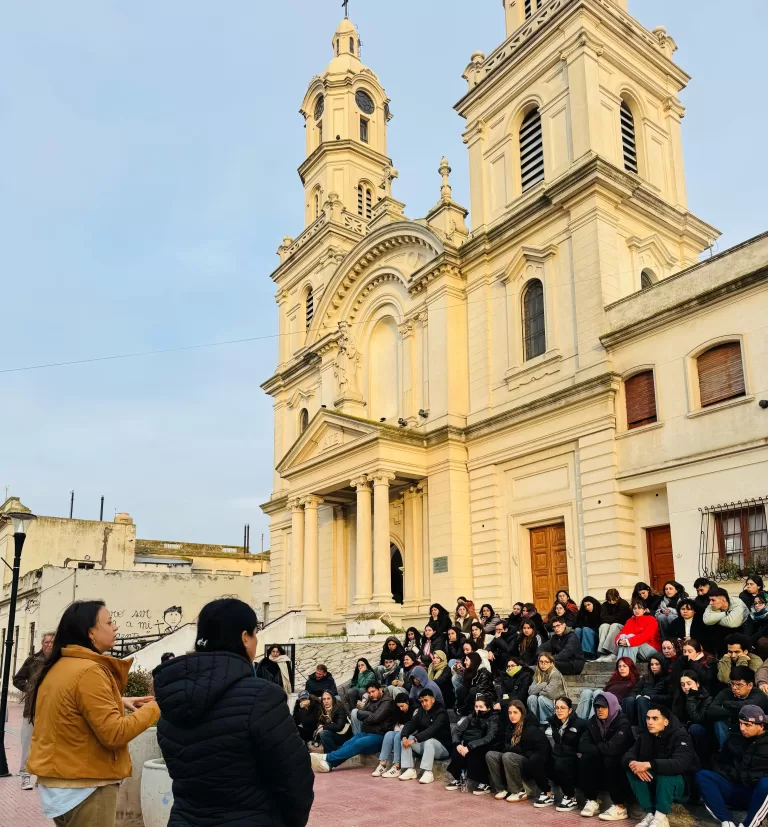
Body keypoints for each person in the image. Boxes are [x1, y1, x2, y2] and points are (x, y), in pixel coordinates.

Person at [152, 599, 312, 827]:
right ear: (245, 637)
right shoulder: (263, 697)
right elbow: (295, 779)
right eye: (256, 634)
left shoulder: (173, 697)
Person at [26, 601, 160, 827]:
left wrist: (118, 700)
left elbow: (69, 708)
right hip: (86, 785)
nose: (115, 627)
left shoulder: (62, 664)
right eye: (108, 622)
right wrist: (157, 707)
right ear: (90, 633)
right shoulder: (89, 671)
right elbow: (114, 734)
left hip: (61, 781)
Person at [623, 703, 700, 827]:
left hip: (683, 785)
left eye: (655, 718)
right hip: (658, 782)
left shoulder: (680, 735)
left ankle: (661, 817)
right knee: (632, 770)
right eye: (648, 718)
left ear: (665, 722)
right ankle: (650, 814)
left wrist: (648, 764)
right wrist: (633, 763)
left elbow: (679, 764)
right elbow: (628, 755)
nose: (650, 722)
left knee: (666, 774)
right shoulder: (645, 735)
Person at [696, 704, 768, 827]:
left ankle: (748, 825)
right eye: (740, 723)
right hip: (736, 788)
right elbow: (721, 762)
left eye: (747, 725)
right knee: (703, 776)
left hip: (758, 794)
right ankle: (726, 821)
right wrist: (729, 773)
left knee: (766, 783)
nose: (742, 728)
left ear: (761, 726)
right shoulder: (734, 736)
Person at [311, 683, 398, 773]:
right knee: (348, 743)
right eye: (369, 692)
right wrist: (370, 716)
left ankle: (326, 757)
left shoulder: (387, 701)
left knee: (358, 743)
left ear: (380, 690)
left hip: (381, 735)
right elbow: (360, 715)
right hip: (368, 732)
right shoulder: (371, 700)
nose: (371, 694)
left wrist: (369, 717)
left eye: (373, 691)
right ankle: (329, 765)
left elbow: (375, 718)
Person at [578, 691, 634, 821]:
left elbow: (613, 748)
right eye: (597, 707)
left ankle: (620, 807)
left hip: (621, 761)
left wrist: (598, 748)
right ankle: (592, 800)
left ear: (612, 706)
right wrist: (602, 748)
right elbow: (582, 745)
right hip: (602, 758)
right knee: (586, 758)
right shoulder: (593, 722)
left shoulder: (622, 723)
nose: (600, 710)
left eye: (604, 707)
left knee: (611, 760)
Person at [485, 699, 552, 804]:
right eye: (510, 713)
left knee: (508, 756)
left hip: (528, 762)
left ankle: (519, 791)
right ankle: (502, 788)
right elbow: (505, 745)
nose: (512, 715)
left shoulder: (531, 728)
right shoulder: (510, 726)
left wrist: (514, 751)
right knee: (491, 755)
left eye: (515, 712)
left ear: (522, 713)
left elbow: (541, 750)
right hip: (513, 759)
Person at [13, 631, 54, 791]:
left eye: (52, 642)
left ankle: (42, 778)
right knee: (27, 743)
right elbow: (17, 679)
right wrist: (31, 689)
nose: (49, 645)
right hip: (31, 710)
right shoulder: (33, 660)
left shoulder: (59, 661)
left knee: (47, 745)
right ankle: (25, 776)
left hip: (50, 711)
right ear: (42, 643)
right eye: (46, 642)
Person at [445, 694, 500, 792]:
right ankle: (458, 778)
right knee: (458, 751)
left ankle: (484, 782)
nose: (478, 709)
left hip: (485, 745)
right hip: (469, 744)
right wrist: (458, 744)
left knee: (475, 752)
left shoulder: (493, 718)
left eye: (481, 707)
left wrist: (470, 746)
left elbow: (489, 737)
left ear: (488, 708)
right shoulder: (471, 716)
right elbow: (457, 730)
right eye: (476, 706)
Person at [397, 688, 452, 783]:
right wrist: (404, 736)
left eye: (426, 700)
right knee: (407, 739)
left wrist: (415, 739)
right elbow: (411, 723)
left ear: (433, 699)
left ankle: (428, 772)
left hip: (443, 749)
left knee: (429, 741)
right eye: (422, 701)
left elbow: (432, 730)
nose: (424, 703)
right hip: (427, 747)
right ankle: (409, 769)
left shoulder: (441, 712)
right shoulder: (422, 711)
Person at [707, 665, 768, 747]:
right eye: (732, 684)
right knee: (719, 722)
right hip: (732, 730)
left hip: (754, 736)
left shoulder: (760, 696)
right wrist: (736, 713)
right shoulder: (727, 692)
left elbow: (746, 707)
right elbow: (711, 710)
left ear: (750, 685)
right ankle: (725, 750)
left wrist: (726, 704)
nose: (734, 688)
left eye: (739, 685)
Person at [547, 696, 587, 811]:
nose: (559, 711)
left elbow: (583, 744)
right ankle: (547, 793)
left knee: (561, 763)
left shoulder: (580, 724)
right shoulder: (554, 722)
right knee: (542, 759)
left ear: (570, 710)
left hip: (574, 758)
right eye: (557, 708)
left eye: (562, 708)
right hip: (559, 755)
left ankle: (570, 797)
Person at [625, 652, 671, 730]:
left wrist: (651, 697)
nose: (654, 667)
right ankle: (626, 729)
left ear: (662, 665)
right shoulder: (646, 677)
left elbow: (669, 697)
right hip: (642, 703)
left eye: (657, 664)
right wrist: (637, 695)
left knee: (641, 700)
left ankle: (645, 731)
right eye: (652, 664)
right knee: (629, 700)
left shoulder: (668, 679)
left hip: (658, 705)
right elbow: (634, 691)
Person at [676, 671, 714, 759]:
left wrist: (691, 698)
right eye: (683, 684)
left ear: (697, 684)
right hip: (684, 727)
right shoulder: (680, 697)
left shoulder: (707, 698)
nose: (686, 687)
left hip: (702, 731)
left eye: (689, 683)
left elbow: (698, 719)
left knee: (695, 728)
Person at [372, 697, 412, 777]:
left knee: (398, 735)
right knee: (389, 734)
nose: (400, 709)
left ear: (407, 703)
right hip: (402, 731)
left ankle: (397, 767)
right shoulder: (399, 711)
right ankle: (382, 764)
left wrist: (402, 729)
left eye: (402, 706)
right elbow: (397, 725)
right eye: (399, 707)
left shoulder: (414, 710)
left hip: (411, 734)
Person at [704, 588, 749, 657]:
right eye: (710, 600)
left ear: (723, 600)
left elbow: (732, 623)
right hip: (721, 634)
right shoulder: (711, 606)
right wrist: (726, 613)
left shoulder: (737, 603)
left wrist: (715, 620)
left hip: (740, 630)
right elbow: (707, 621)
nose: (710, 603)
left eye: (713, 600)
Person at [527, 652, 568, 726]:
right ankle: (534, 723)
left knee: (541, 698)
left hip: (558, 704)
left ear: (551, 663)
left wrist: (538, 690)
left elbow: (550, 693)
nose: (543, 664)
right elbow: (530, 691)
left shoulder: (555, 674)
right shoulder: (538, 674)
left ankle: (547, 723)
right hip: (546, 702)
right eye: (541, 662)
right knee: (531, 698)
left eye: (546, 662)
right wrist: (543, 685)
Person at [597, 589, 632, 661]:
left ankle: (612, 652)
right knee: (603, 626)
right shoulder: (605, 605)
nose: (612, 602)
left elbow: (621, 619)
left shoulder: (623, 604)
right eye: (609, 600)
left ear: (618, 597)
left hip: (622, 626)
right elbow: (602, 618)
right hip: (610, 625)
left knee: (614, 625)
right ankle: (602, 652)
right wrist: (614, 618)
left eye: (614, 600)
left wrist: (610, 618)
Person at [315, 690, 351, 755]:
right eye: (324, 699)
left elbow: (339, 727)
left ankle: (336, 753)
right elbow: (318, 720)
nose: (326, 701)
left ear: (332, 699)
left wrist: (324, 727)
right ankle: (331, 754)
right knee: (321, 734)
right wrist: (319, 725)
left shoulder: (339, 708)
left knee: (323, 734)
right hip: (332, 732)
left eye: (328, 698)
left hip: (343, 734)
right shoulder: (322, 708)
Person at [576, 596, 603, 660]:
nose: (587, 607)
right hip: (585, 633)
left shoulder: (599, 610)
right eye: (585, 606)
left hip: (596, 635)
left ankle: (589, 653)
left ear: (593, 603)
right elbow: (579, 624)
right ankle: (577, 653)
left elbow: (599, 626)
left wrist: (587, 628)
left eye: (589, 605)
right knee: (577, 630)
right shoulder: (583, 613)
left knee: (586, 629)